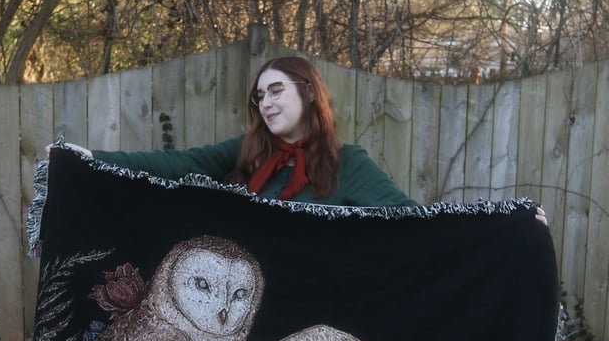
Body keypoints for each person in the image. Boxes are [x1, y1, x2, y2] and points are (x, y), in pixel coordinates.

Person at [63, 56, 547, 222]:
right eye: (260, 96)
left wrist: (507, 217)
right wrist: (86, 159)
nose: (267, 103)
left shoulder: (346, 163)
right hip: (251, 314)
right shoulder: (248, 153)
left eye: (277, 90)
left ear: (309, 92)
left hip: (319, 313)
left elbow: (414, 220)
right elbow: (174, 165)